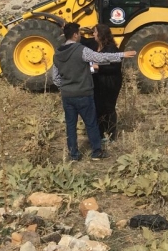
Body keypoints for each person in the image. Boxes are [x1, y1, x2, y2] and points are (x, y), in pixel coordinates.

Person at [52, 22, 135, 161]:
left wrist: (66, 87)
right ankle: (96, 152)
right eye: (79, 33)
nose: (81, 35)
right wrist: (122, 55)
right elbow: (101, 58)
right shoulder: (81, 50)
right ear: (75, 35)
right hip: (83, 93)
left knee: (70, 126)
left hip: (67, 96)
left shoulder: (57, 54)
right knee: (91, 123)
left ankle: (73, 155)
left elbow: (55, 78)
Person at [89, 24, 123, 142]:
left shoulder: (112, 49)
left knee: (109, 108)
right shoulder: (95, 46)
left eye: (95, 32)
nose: (93, 34)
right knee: (98, 107)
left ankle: (111, 134)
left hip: (110, 82)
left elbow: (115, 68)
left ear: (101, 34)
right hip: (97, 82)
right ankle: (101, 133)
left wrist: (99, 67)